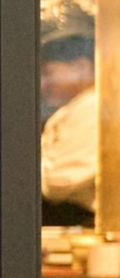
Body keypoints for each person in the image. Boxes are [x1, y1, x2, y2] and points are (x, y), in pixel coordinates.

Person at [48, 32, 100, 226]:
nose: (42, 84)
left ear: (82, 67)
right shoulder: (75, 108)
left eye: (48, 72)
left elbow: (58, 182)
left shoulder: (91, 106)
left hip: (84, 218)